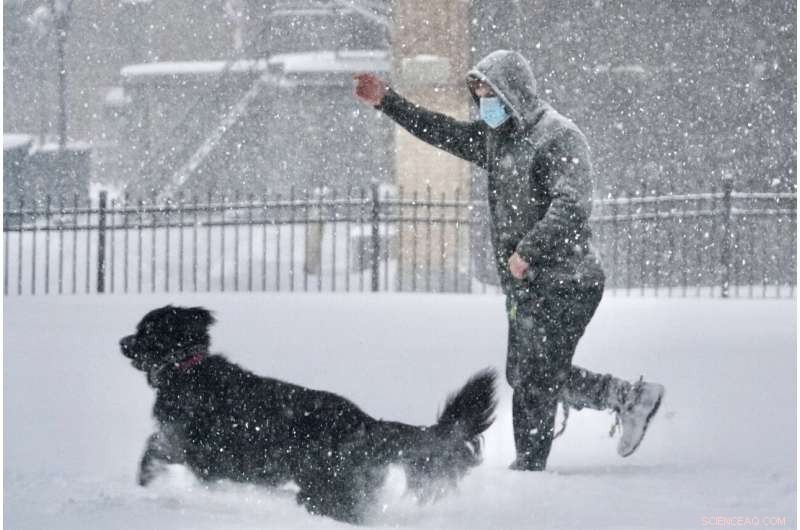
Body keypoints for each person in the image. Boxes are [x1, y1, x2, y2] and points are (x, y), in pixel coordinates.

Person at [354, 50, 665, 471]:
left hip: (568, 282)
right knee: (527, 375)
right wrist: (388, 101)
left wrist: (528, 251)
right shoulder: (496, 138)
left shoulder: (557, 137)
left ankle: (528, 470)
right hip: (528, 285)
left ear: (513, 91)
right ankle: (628, 398)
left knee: (536, 381)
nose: (485, 102)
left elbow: (572, 205)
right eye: (479, 94)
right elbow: (441, 131)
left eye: (490, 92)